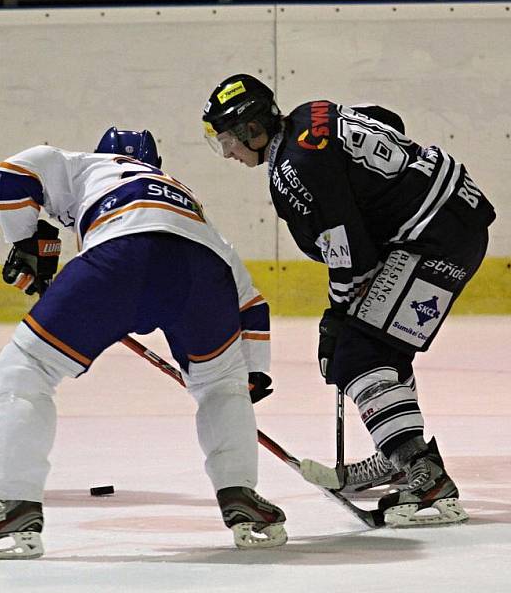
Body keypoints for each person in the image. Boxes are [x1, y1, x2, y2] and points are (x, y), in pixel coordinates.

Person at [0, 128, 285, 559]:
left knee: (26, 367)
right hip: (203, 271)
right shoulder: (184, 199)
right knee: (222, 386)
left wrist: (23, 243)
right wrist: (253, 370)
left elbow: (16, 169)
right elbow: (252, 303)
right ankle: (241, 496)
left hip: (121, 255)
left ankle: (16, 502)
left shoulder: (90, 165)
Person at [201, 74, 495, 526]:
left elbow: (351, 256)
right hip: (453, 217)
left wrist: (336, 316)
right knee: (383, 346)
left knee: (355, 354)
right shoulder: (311, 113)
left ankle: (423, 471)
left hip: (433, 238)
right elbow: (385, 120)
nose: (229, 154)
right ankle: (399, 454)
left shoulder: (293, 170)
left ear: (253, 130)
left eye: (229, 141)